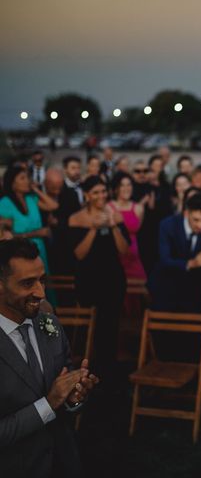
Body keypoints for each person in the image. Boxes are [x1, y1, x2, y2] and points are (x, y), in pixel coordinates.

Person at [0, 238, 99, 478]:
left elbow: (64, 388)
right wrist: (49, 403)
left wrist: (74, 397)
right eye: (28, 283)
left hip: (64, 462)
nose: (41, 293)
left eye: (42, 280)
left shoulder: (49, 324)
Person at [68, 176, 130, 381]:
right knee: (92, 326)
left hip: (113, 279)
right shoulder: (76, 219)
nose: (101, 195)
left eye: (103, 191)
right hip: (89, 280)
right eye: (96, 192)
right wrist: (94, 229)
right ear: (87, 195)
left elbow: (124, 250)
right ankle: (88, 369)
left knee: (110, 325)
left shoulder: (116, 216)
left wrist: (113, 226)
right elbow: (78, 254)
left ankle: (108, 372)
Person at [147, 193, 201, 313]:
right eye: (196, 220)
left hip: (194, 291)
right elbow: (165, 260)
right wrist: (192, 263)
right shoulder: (167, 225)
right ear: (186, 213)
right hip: (166, 287)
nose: (200, 225)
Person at [0, 166, 59, 274]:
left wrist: (36, 189)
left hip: (39, 250)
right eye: (22, 178)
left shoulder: (31, 199)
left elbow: (53, 206)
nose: (27, 181)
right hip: (20, 253)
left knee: (42, 283)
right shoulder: (5, 203)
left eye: (27, 177)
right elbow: (6, 236)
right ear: (13, 184)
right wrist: (36, 233)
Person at [108, 173, 146, 280]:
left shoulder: (139, 208)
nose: (126, 188)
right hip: (115, 258)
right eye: (122, 185)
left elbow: (136, 232)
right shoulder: (108, 208)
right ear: (116, 189)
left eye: (129, 185)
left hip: (134, 259)